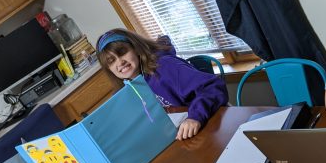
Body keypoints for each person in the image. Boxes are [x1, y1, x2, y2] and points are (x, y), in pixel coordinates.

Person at [96, 28, 229, 140]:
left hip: (212, 125)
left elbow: (213, 87)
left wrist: (195, 117)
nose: (120, 62)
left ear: (136, 48)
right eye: (111, 61)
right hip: (182, 137)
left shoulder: (166, 66)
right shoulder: (125, 91)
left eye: (122, 53)